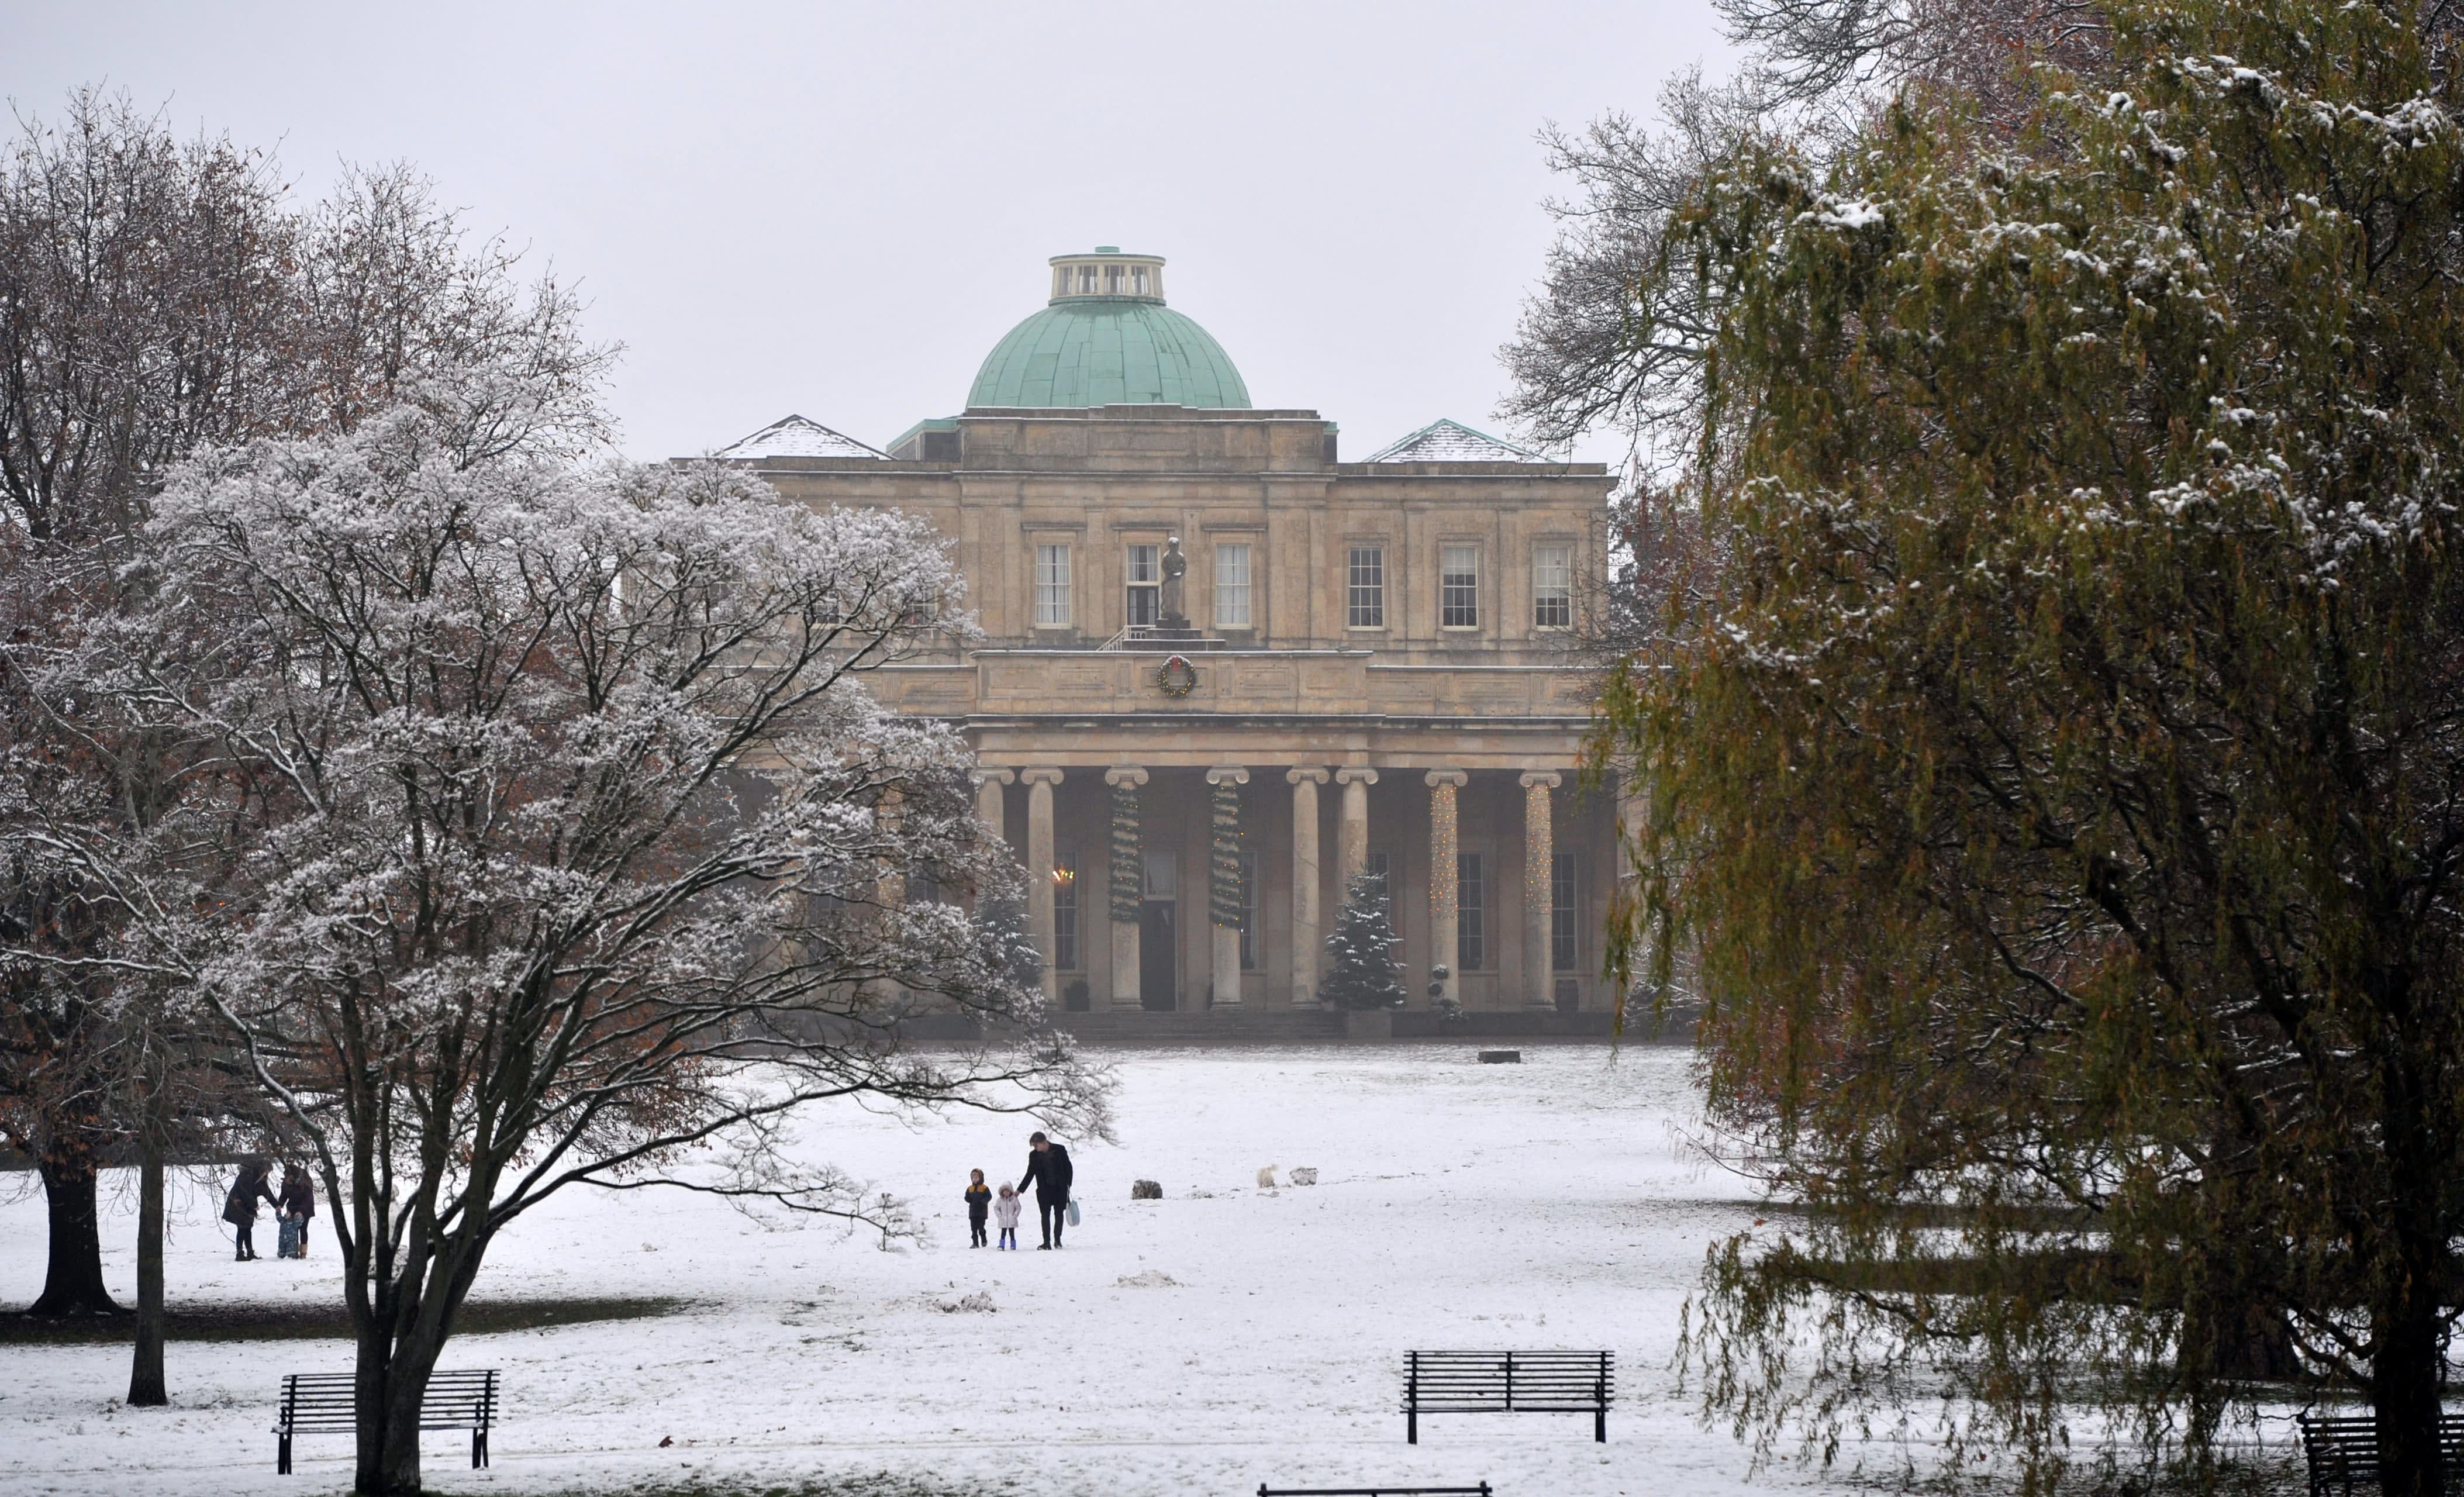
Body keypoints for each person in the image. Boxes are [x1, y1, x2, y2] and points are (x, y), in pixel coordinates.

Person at [1017, 1130, 1074, 1250]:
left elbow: (1069, 1168)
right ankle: (1046, 1242)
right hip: (1044, 1191)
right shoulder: (1034, 1156)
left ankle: (1057, 1240)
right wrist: (1020, 1190)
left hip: (1060, 1189)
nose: (1035, 1148)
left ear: (1044, 1143)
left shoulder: (1060, 1150)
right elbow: (1030, 1174)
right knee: (1045, 1216)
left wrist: (1068, 1185)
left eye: (1036, 1145)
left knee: (1059, 1214)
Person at [222, 1158, 277, 1261]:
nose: (266, 1175)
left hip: (247, 1207)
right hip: (237, 1204)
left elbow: (267, 1193)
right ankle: (240, 1253)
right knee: (242, 1228)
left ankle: (250, 1252)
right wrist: (254, 1205)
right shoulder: (246, 1176)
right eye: (266, 1172)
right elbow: (245, 1193)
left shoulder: (259, 1179)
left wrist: (277, 1205)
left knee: (247, 1229)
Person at [278, 1164, 317, 1258]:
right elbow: (284, 1195)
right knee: (292, 1230)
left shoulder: (305, 1182)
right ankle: (293, 1251)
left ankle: (303, 1253)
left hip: (306, 1209)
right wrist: (280, 1204)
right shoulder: (287, 1183)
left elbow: (308, 1199)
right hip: (292, 1207)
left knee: (303, 1229)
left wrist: (301, 1211)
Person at [965, 1168, 992, 1248]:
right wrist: (967, 1199)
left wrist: (983, 1201)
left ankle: (984, 1239)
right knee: (973, 1229)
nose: (975, 1179)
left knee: (981, 1227)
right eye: (973, 1178)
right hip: (973, 1212)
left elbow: (989, 1196)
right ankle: (975, 1243)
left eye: (976, 1177)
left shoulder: (984, 1188)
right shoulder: (970, 1188)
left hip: (982, 1212)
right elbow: (967, 1197)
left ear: (981, 1178)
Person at [993, 1182, 1023, 1250]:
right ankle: (1002, 1245)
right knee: (1003, 1233)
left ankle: (1013, 1245)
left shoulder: (1014, 1199)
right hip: (1003, 1220)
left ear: (1010, 1191)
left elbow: (1018, 1207)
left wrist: (1015, 1216)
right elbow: (996, 1208)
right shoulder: (1000, 1200)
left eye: (1008, 1191)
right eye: (1004, 1191)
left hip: (1011, 1220)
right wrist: (1000, 1216)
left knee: (1012, 1233)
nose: (1006, 1192)